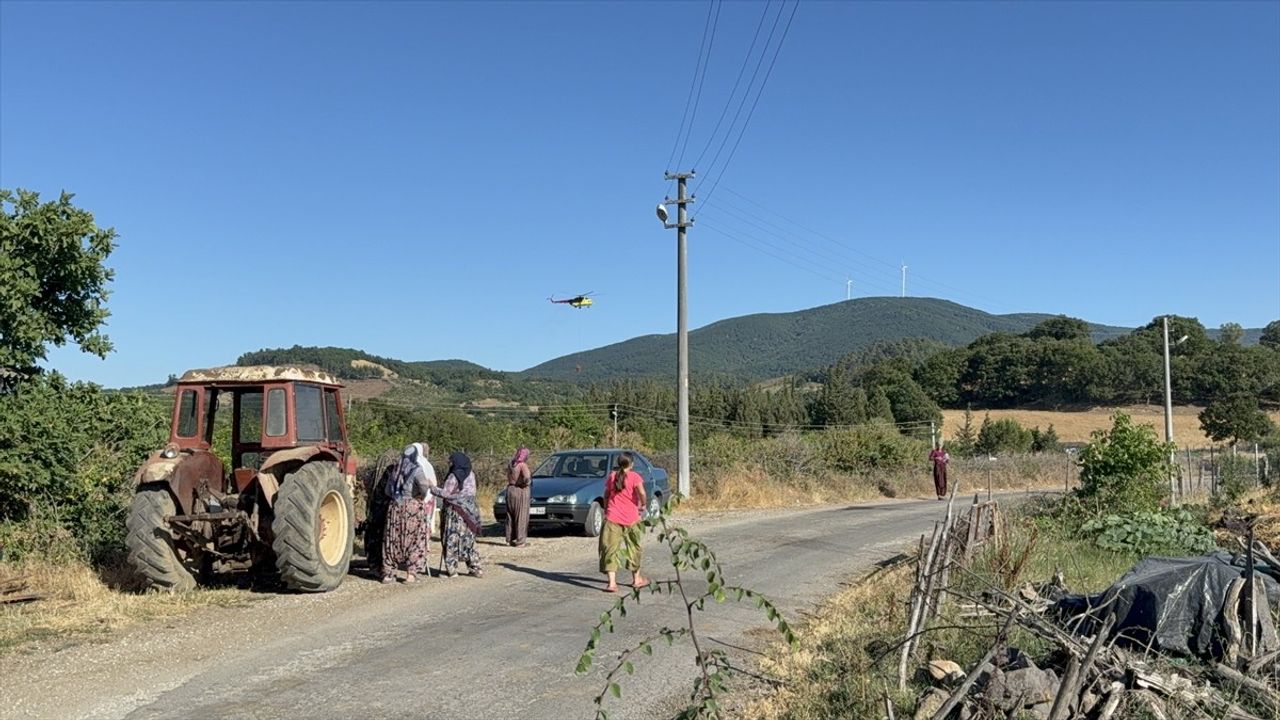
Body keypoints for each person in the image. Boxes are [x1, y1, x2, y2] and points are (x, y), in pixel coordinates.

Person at [380, 442, 437, 583]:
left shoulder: (396, 470)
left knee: (392, 540)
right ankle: (411, 574)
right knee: (415, 540)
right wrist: (421, 496)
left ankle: (388, 574)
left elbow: (387, 490)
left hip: (395, 508)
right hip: (412, 507)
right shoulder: (416, 469)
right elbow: (423, 486)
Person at [599, 453, 648, 593]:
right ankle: (636, 579)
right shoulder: (635, 477)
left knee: (610, 549)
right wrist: (643, 505)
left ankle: (612, 583)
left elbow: (606, 494)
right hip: (631, 518)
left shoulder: (612, 476)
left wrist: (606, 508)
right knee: (634, 548)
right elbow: (642, 493)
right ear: (631, 464)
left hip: (612, 517)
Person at [435, 451, 484, 578]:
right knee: (469, 539)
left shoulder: (453, 476)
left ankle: (452, 569)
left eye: (451, 461)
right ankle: (475, 567)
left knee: (451, 538)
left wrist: (432, 487)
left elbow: (446, 493)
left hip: (454, 511)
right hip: (469, 512)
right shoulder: (471, 474)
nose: (449, 464)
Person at [506, 447, 532, 547]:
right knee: (521, 516)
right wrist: (527, 483)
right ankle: (520, 541)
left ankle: (509, 539)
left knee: (510, 516)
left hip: (510, 490)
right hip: (520, 491)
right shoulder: (522, 465)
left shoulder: (511, 464)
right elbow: (527, 478)